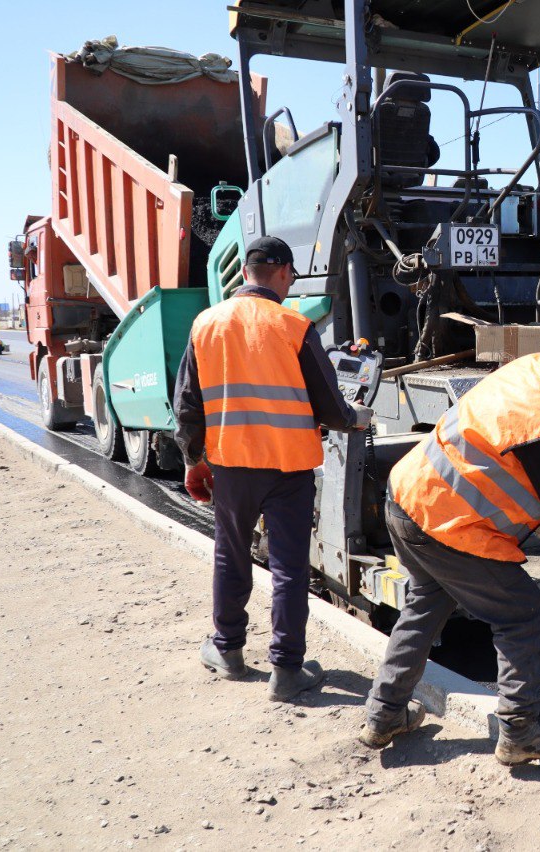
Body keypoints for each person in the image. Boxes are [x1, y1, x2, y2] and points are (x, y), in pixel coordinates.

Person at [360, 315, 540, 764]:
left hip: (408, 499)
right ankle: (521, 731)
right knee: (520, 611)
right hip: (446, 524)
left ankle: (384, 717)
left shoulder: (534, 370)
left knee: (425, 605)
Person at [173, 235, 372, 702]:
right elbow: (331, 406)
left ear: (245, 273)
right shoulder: (293, 325)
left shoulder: (206, 323)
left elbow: (186, 404)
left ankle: (227, 651)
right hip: (288, 470)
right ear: (283, 273)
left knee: (231, 555)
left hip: (231, 467)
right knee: (288, 569)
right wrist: (356, 418)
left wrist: (192, 459)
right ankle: (286, 671)